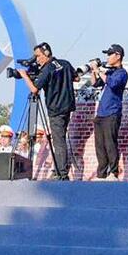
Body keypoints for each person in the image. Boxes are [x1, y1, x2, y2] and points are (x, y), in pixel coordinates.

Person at [17, 43, 76, 180]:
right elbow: (76, 78)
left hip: (56, 110)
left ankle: (61, 173)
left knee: (58, 141)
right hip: (67, 107)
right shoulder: (65, 63)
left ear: (46, 53)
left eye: (38, 56)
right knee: (60, 139)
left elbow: (34, 89)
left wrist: (24, 75)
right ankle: (60, 170)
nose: (37, 59)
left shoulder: (47, 69)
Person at [91, 44, 128, 179]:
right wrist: (93, 70)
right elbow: (95, 83)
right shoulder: (109, 72)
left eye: (110, 54)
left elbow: (112, 84)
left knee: (110, 144)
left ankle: (113, 172)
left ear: (117, 56)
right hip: (100, 114)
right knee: (99, 146)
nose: (107, 57)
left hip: (112, 113)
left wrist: (99, 70)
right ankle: (101, 173)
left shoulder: (121, 73)